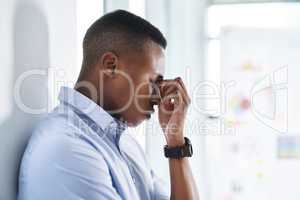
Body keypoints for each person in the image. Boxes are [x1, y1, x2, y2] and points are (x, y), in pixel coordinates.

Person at [18, 10, 199, 200]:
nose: (158, 95)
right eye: (153, 81)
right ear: (110, 65)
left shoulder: (126, 145)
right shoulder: (66, 148)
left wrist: (176, 143)